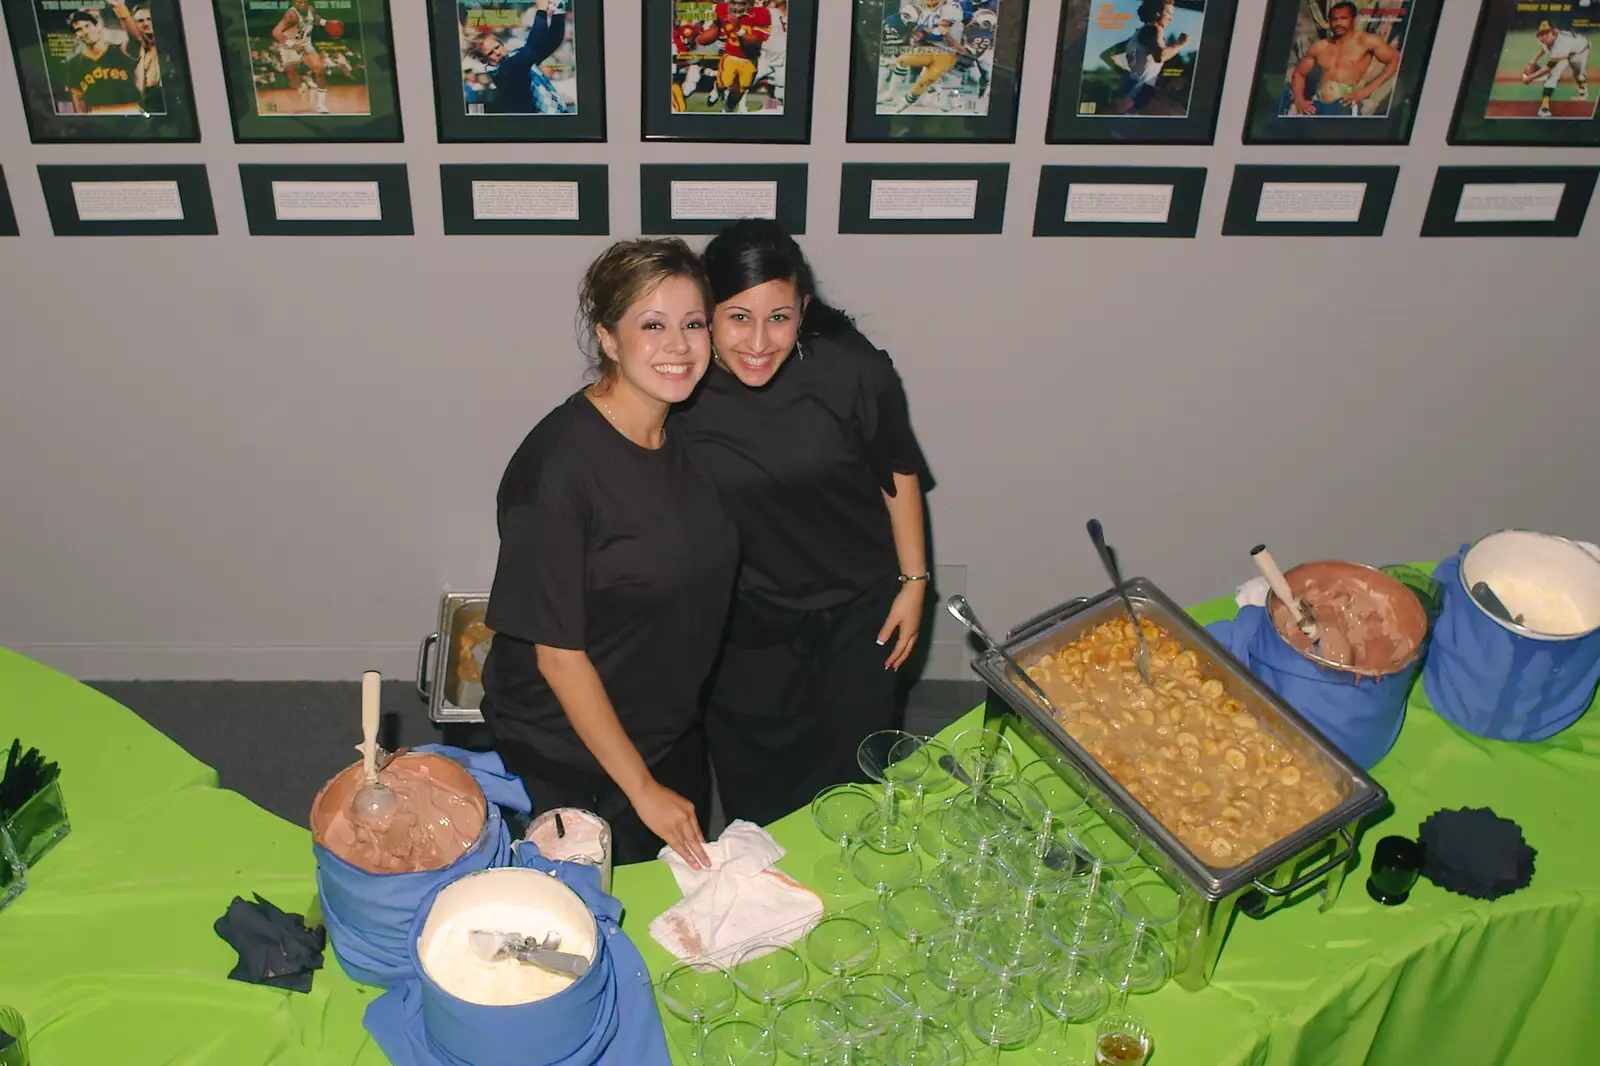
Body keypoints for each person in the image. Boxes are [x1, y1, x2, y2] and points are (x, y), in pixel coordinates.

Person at [481, 239, 734, 868]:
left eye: (693, 323)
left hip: (665, 725)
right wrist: (641, 789)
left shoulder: (682, 428)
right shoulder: (559, 469)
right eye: (652, 325)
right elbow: (560, 660)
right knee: (578, 925)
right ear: (610, 340)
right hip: (569, 751)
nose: (679, 345)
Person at [674, 221, 933, 828]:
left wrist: (916, 583)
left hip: (858, 612)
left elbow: (894, 471)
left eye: (780, 318)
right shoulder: (679, 386)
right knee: (757, 793)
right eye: (738, 317)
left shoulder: (851, 371)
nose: (759, 342)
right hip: (745, 624)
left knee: (854, 780)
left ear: (804, 310)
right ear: (706, 313)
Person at [1286, 1, 1401, 117]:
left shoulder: (1365, 41)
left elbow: (1395, 59)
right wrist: (1299, 100)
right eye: (1334, 19)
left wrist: (1366, 91)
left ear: (1353, 19)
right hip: (1318, 102)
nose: (1338, 23)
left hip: (1346, 104)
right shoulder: (1320, 46)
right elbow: (1299, 73)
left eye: (1343, 18)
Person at [464, 0, 570, 114]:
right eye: (491, 53)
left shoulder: (515, 57)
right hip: (542, 124)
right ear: (484, 60)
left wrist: (558, 10)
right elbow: (533, 45)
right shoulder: (504, 71)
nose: (498, 52)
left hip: (559, 115)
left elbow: (553, 40)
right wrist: (541, 11)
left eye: (497, 47)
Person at [1103, 0, 1190, 114]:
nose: (1171, 18)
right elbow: (1160, 56)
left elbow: (1106, 55)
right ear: (1157, 14)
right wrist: (1181, 44)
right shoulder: (1154, 29)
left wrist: (1127, 74)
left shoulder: (1137, 35)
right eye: (1168, 13)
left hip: (1131, 89)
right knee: (1178, 114)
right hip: (1141, 92)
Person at [887, 0, 967, 111]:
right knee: (903, 59)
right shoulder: (925, 7)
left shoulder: (951, 7)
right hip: (931, 48)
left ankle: (914, 99)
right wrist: (919, 36)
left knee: (941, 97)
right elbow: (920, 31)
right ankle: (892, 94)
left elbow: (941, 32)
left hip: (948, 52)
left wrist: (957, 47)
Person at [696, 1, 770, 114]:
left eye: (741, 3)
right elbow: (716, 27)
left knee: (740, 90)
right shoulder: (722, 8)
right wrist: (706, 36)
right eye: (734, 2)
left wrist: (739, 31)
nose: (737, 6)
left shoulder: (760, 13)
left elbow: (756, 41)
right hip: (730, 55)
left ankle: (727, 109)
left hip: (750, 59)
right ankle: (717, 88)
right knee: (724, 82)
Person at [62, 10, 141, 114]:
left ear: (97, 27)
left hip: (131, 115)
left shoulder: (121, 50)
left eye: (87, 26)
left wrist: (121, 10)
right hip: (99, 118)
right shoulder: (73, 64)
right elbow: (78, 101)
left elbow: (137, 39)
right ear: (76, 36)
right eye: (79, 29)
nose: (86, 32)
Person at [1522, 19, 1590, 118]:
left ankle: (1583, 92)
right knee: (1553, 75)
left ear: (1553, 33)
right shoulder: (1547, 39)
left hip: (1579, 50)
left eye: (1546, 33)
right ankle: (1544, 107)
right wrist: (1533, 61)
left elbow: (1548, 68)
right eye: (1540, 34)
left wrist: (1530, 77)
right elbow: (1543, 49)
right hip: (1566, 49)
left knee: (1578, 74)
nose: (1543, 37)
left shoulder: (1561, 44)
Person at [271, 0, 329, 114]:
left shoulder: (311, 10)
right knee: (293, 80)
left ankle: (321, 105)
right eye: (297, 1)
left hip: (306, 45)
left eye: (302, 1)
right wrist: (292, 44)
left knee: (320, 69)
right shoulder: (291, 15)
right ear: (293, 3)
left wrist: (325, 22)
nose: (300, 3)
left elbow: (314, 18)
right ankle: (302, 85)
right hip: (288, 47)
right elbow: (276, 32)